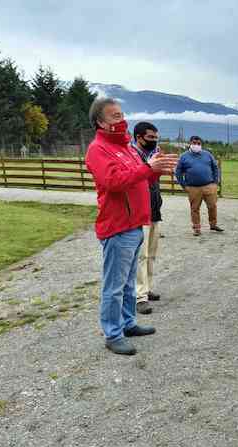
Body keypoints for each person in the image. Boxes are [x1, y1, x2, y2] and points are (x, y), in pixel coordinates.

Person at [85, 98, 177, 355]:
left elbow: (139, 174)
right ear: (100, 121)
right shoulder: (98, 149)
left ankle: (127, 323)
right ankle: (113, 334)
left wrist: (156, 169)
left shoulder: (125, 146)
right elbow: (114, 181)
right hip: (118, 226)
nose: (121, 119)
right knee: (114, 286)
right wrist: (147, 167)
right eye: (114, 116)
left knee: (126, 283)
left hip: (135, 224)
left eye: (121, 114)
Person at [131, 122, 163, 316]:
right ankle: (139, 296)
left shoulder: (154, 155)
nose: (154, 141)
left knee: (151, 254)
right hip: (139, 213)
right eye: (150, 137)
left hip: (154, 210)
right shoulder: (132, 156)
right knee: (141, 256)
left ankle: (147, 287)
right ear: (139, 137)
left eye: (155, 137)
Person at [175, 136, 224, 236]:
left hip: (209, 185)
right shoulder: (184, 156)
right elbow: (178, 171)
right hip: (193, 187)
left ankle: (213, 224)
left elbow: (215, 168)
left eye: (198, 143)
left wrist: (215, 182)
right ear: (190, 143)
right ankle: (196, 228)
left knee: (212, 206)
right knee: (195, 208)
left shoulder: (207, 154)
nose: (196, 145)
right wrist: (184, 185)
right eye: (194, 143)